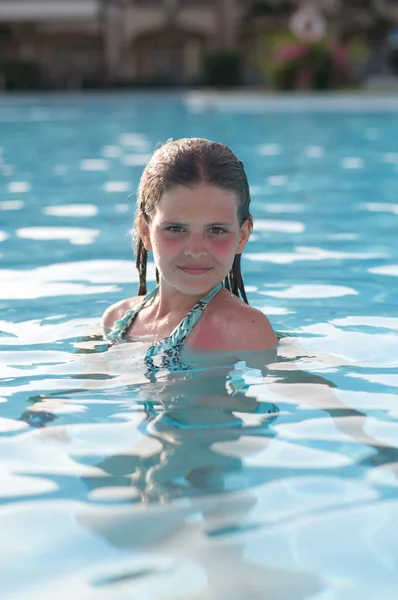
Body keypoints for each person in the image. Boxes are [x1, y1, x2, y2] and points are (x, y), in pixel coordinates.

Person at [102, 137, 277, 373]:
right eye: (175, 229)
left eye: (216, 230)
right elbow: (83, 384)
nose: (195, 251)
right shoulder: (117, 320)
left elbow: (292, 387)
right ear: (145, 231)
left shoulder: (244, 329)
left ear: (242, 235)